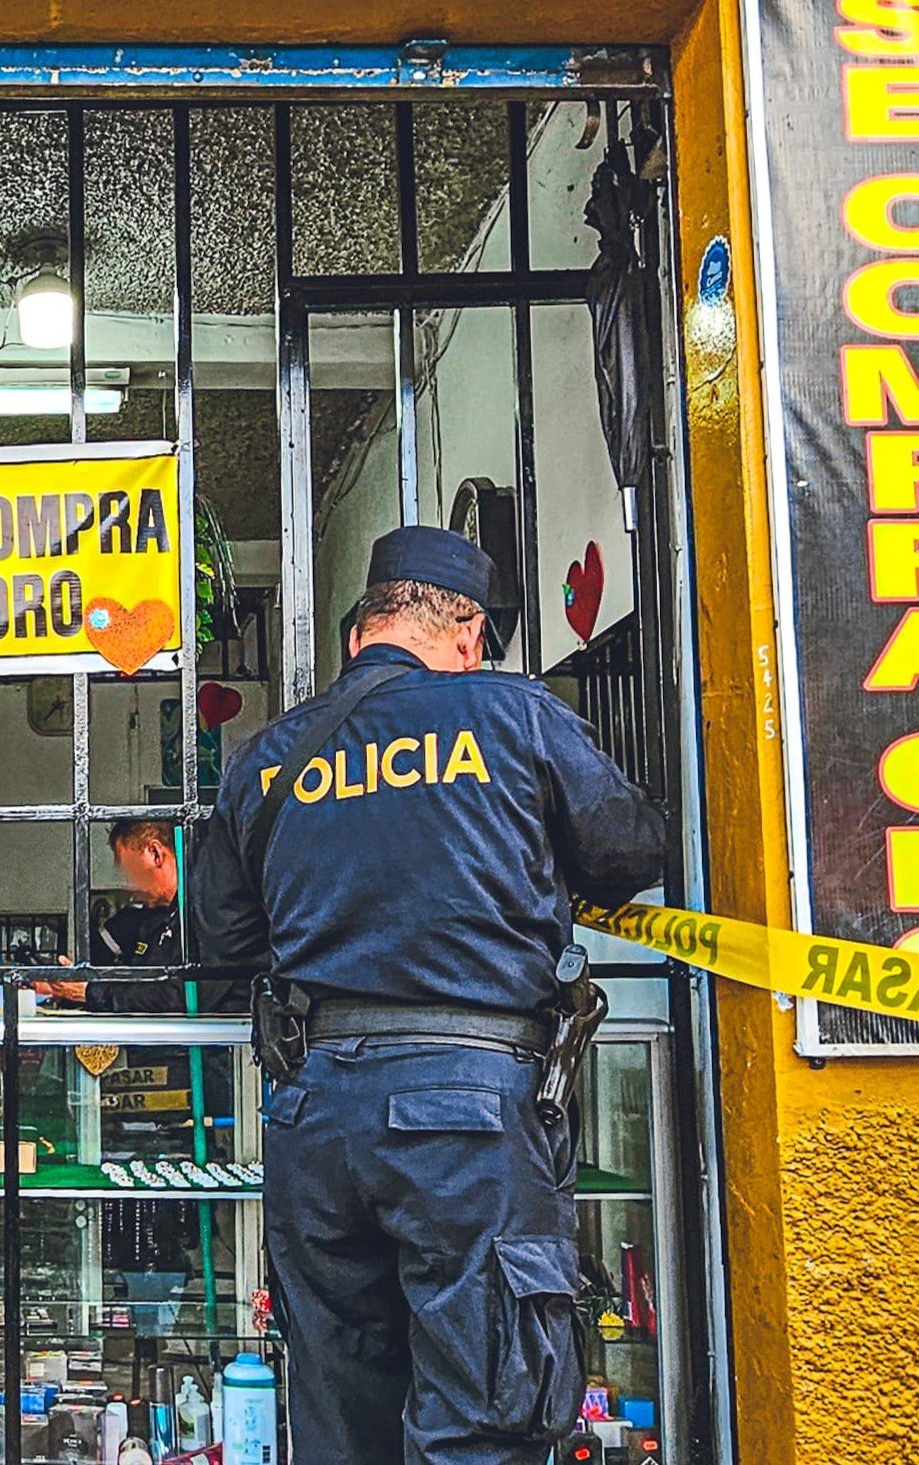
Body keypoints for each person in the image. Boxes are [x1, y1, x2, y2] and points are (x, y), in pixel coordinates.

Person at [187, 527, 665, 1465]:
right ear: (468, 632)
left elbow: (222, 947)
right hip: (469, 1111)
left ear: (358, 632)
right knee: (484, 1410)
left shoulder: (268, 756)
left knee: (339, 1410)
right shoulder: (511, 714)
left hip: (313, 1112)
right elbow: (628, 853)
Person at [32, 818, 200, 1012]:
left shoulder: (200, 914)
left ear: (155, 853)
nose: (130, 885)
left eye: (131, 869)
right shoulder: (157, 919)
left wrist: (89, 992)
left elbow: (174, 997)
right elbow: (136, 988)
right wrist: (68, 988)